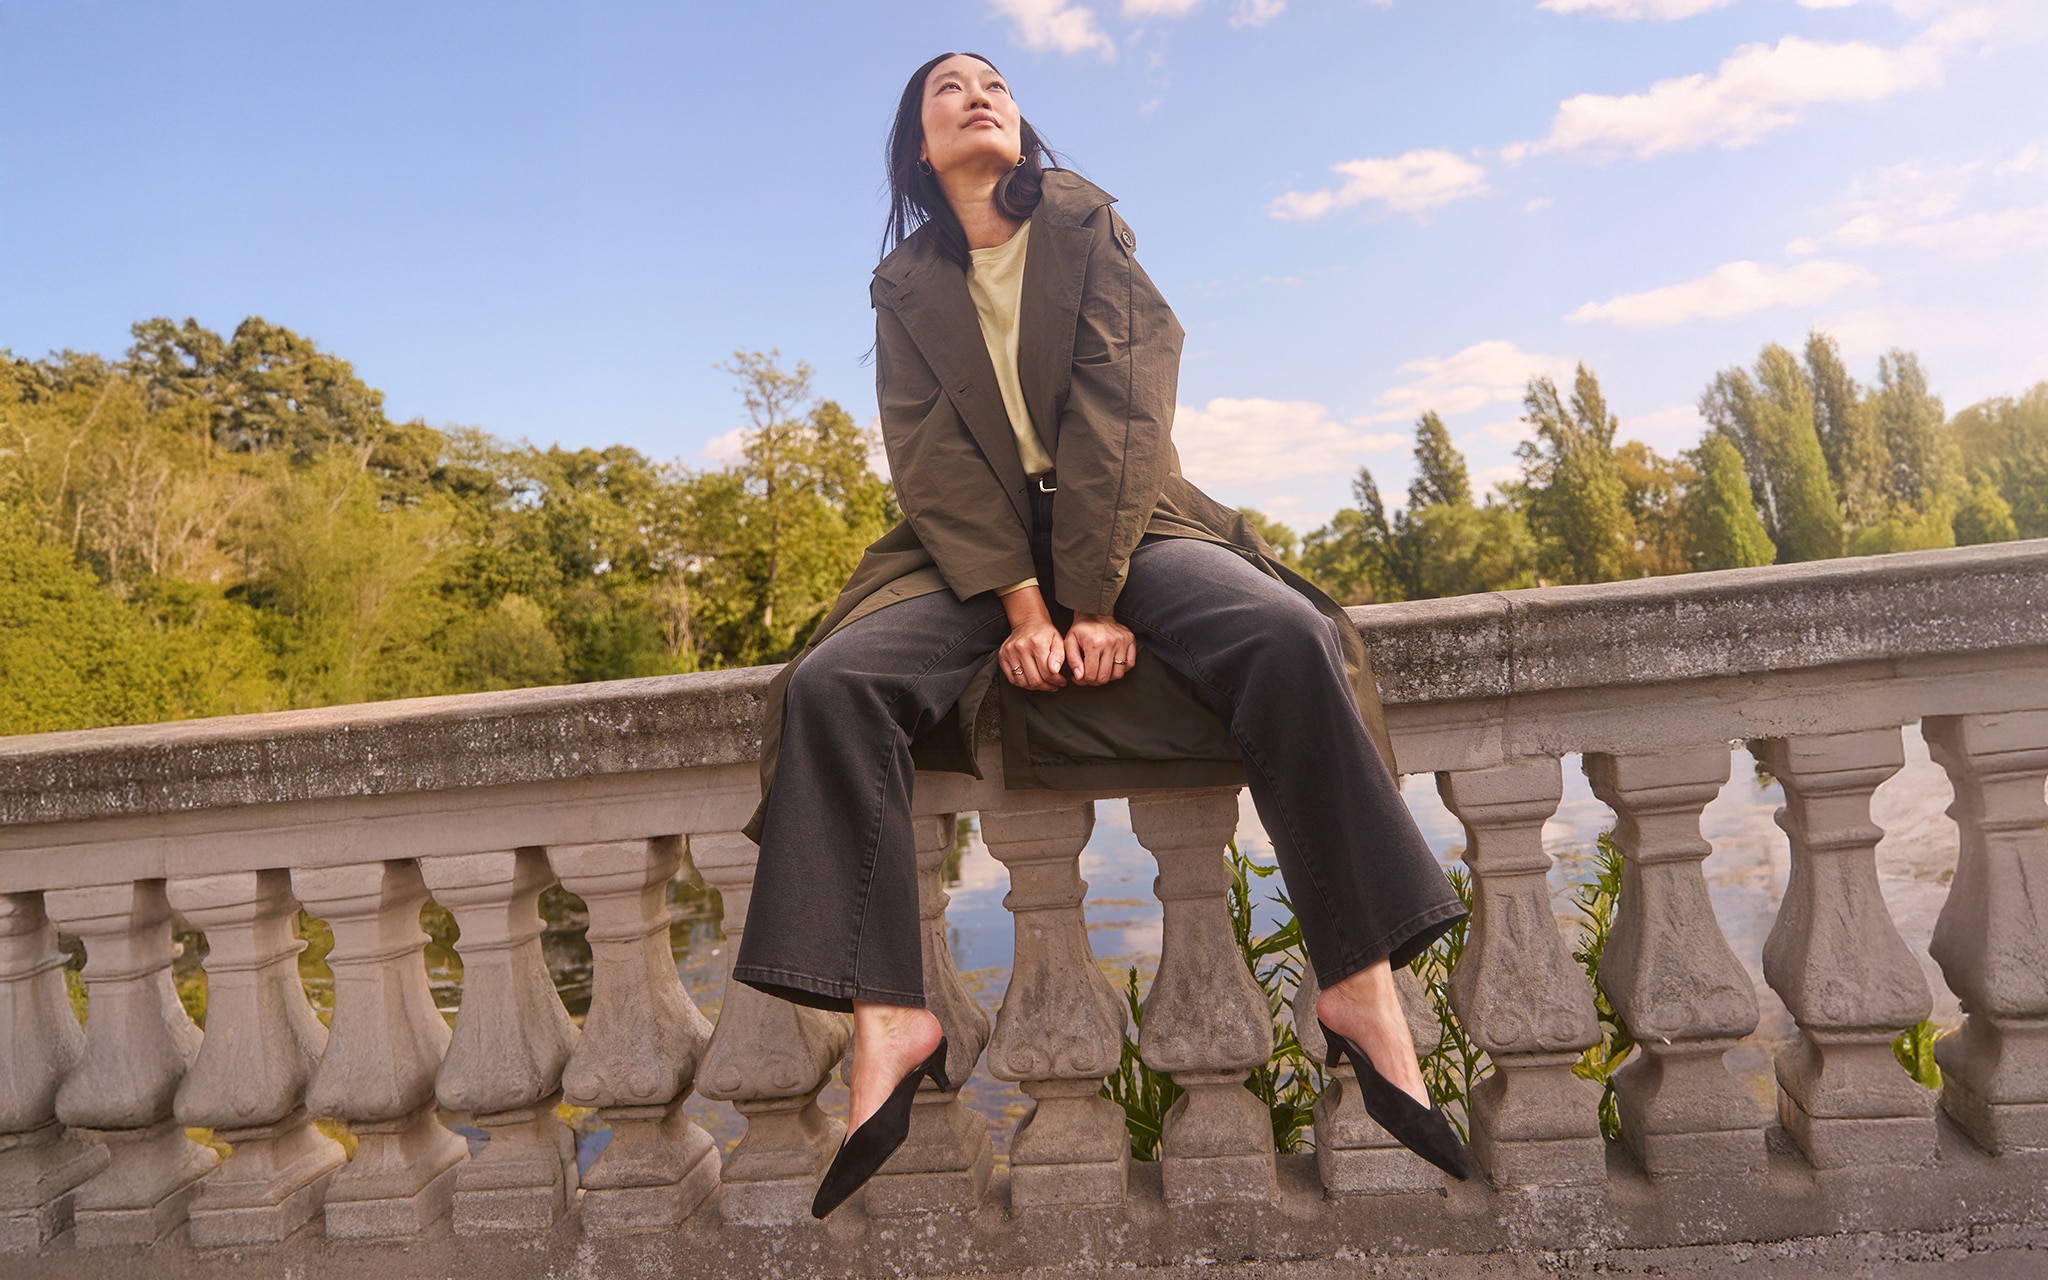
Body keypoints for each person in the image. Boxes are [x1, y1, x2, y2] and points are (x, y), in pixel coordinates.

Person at [732, 51, 1472, 1218]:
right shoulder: (905, 285)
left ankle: (1358, 979)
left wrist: (1087, 598)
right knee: (829, 683)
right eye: (946, 91)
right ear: (919, 152)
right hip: (963, 552)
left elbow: (1124, 409)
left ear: (1021, 130)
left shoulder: (1084, 224)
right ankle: (891, 1010)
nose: (979, 94)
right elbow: (928, 458)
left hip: (1133, 519)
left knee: (1284, 633)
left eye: (996, 85)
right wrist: (1019, 608)